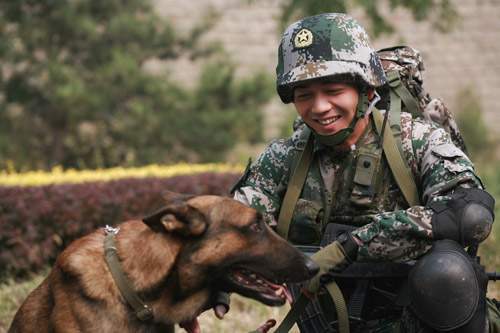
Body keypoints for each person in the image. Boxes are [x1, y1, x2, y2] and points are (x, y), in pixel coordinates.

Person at [229, 13, 496, 333]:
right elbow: (231, 228)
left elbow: (470, 214)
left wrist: (351, 247)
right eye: (304, 95)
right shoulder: (284, 158)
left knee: (446, 272)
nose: (319, 107)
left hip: (420, 321)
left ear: (365, 89)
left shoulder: (415, 140)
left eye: (333, 90)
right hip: (326, 324)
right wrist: (214, 287)